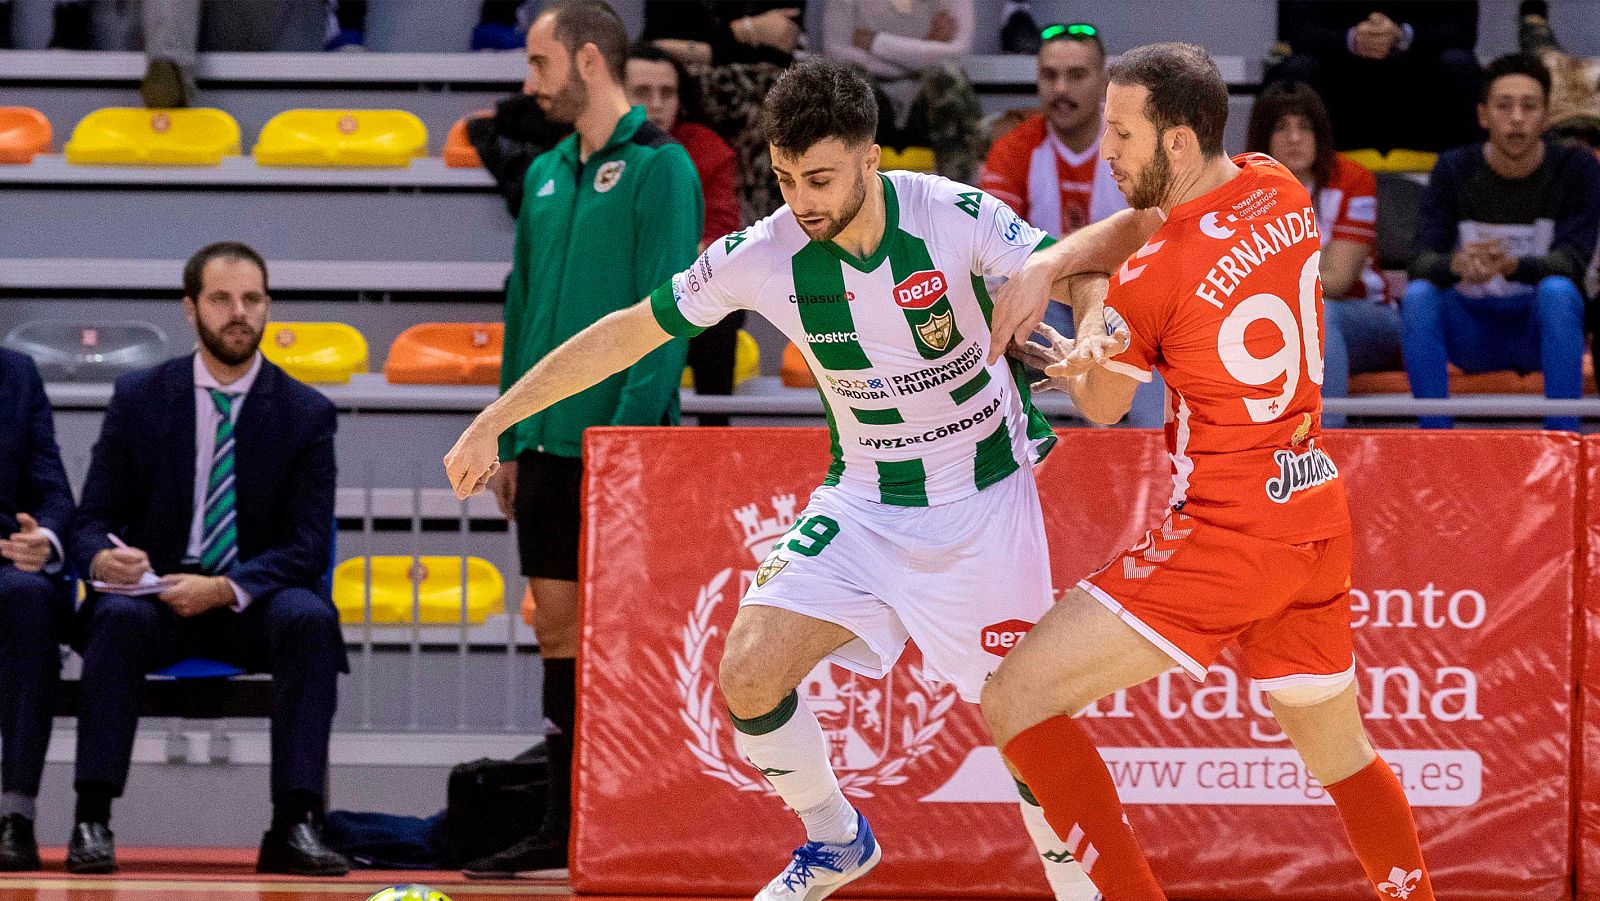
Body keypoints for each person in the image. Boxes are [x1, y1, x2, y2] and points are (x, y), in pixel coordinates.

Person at [446, 59, 1105, 901]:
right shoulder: (768, 251)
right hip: (867, 504)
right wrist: (495, 415)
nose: (804, 201)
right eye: (788, 179)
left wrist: (1088, 325)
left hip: (985, 503)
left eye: (822, 178)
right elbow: (626, 332)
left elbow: (1083, 260)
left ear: (872, 158)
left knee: (1034, 728)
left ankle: (1080, 888)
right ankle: (835, 838)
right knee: (748, 670)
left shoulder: (950, 213)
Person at [980, 43, 1435, 901]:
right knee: (1342, 756)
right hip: (1312, 516)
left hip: (1226, 534)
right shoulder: (1278, 187)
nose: (1105, 152)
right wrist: (1053, 261)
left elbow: (1108, 405)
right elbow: (1149, 224)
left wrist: (1083, 301)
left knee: (1014, 700)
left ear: (1178, 142)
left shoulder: (1153, 278)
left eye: (1120, 134)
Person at [468, 0, 704, 878]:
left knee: (622, 641)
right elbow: (522, 311)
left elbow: (669, 315)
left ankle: (632, 822)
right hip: (543, 449)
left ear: (590, 62)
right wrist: (502, 428)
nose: (528, 84)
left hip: (623, 457)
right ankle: (561, 827)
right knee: (558, 634)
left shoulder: (662, 168)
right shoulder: (541, 175)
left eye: (539, 65)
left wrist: (631, 446)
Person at [67, 242, 347, 877]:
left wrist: (225, 588)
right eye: (222, 299)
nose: (239, 314)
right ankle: (91, 818)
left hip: (253, 601)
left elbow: (306, 548)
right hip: (157, 597)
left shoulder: (307, 413)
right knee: (114, 619)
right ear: (189, 309)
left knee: (310, 620)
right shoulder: (140, 396)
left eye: (252, 299)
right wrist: (103, 561)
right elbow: (90, 522)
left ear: (268, 307)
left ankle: (295, 824)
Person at [977, 22, 1167, 430]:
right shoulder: (1012, 151)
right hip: (1049, 303)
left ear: (1105, 79)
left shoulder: (1135, 145)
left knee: (1153, 320)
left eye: (1076, 75)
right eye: (1049, 76)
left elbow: (1161, 242)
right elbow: (993, 258)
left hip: (1134, 297)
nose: (1061, 89)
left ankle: (1154, 460)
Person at [1403, 52, 1600, 432]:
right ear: (1482, 115)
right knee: (1418, 296)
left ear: (1546, 117)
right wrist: (1455, 265)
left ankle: (1563, 439)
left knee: (1559, 291)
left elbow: (1573, 261)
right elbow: (1421, 261)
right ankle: (1434, 439)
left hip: (1538, 327)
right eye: (1504, 106)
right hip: (1473, 329)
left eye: (1529, 107)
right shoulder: (1453, 168)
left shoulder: (1577, 168)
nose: (1516, 118)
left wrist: (1512, 265)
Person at [1245, 81, 1400, 427]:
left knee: (1318, 314)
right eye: (1281, 127)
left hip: (1364, 317)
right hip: (1274, 320)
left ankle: (1326, 445)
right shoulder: (1242, 186)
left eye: (1305, 127)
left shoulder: (1352, 179)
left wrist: (1263, 275)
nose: (1295, 138)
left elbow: (1339, 281)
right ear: (1262, 137)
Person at [627, 41, 745, 426]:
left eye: (668, 92)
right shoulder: (594, 151)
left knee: (719, 305)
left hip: (684, 292)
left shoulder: (709, 150)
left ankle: (717, 438)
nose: (657, 104)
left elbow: (720, 240)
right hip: (618, 296)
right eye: (642, 93)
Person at [0, 348, 74, 873]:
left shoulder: (17, 374)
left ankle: (15, 817)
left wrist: (44, 537)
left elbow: (53, 488)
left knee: (31, 598)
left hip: (4, 559)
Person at [643, 1, 808, 225]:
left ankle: (766, 230)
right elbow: (657, 45)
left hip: (765, 90)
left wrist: (701, 47)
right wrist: (746, 30)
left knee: (778, 103)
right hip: (691, 86)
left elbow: (781, 42)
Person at [1266, 1, 1481, 155]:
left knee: (1460, 66)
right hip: (1340, 73)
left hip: (1419, 76)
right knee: (1296, 70)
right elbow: (1300, 31)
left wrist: (1402, 36)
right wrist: (1352, 39)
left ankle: (1465, 179)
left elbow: (1463, 31)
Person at [821, 0, 982, 184]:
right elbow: (836, 51)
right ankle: (843, 192)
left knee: (947, 77)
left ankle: (960, 196)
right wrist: (922, 53)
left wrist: (875, 41)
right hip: (870, 99)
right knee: (849, 78)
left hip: (927, 101)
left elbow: (957, 52)